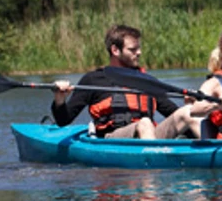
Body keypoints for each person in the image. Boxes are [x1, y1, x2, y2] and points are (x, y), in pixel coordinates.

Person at [51, 24, 199, 139]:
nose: (139, 53)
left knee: (187, 113)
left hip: (149, 136)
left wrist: (190, 104)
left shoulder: (145, 80)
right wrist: (60, 99)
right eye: (133, 49)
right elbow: (64, 120)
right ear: (115, 50)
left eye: (139, 48)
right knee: (145, 123)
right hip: (114, 138)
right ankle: (155, 169)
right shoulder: (93, 79)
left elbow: (173, 113)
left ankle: (215, 152)